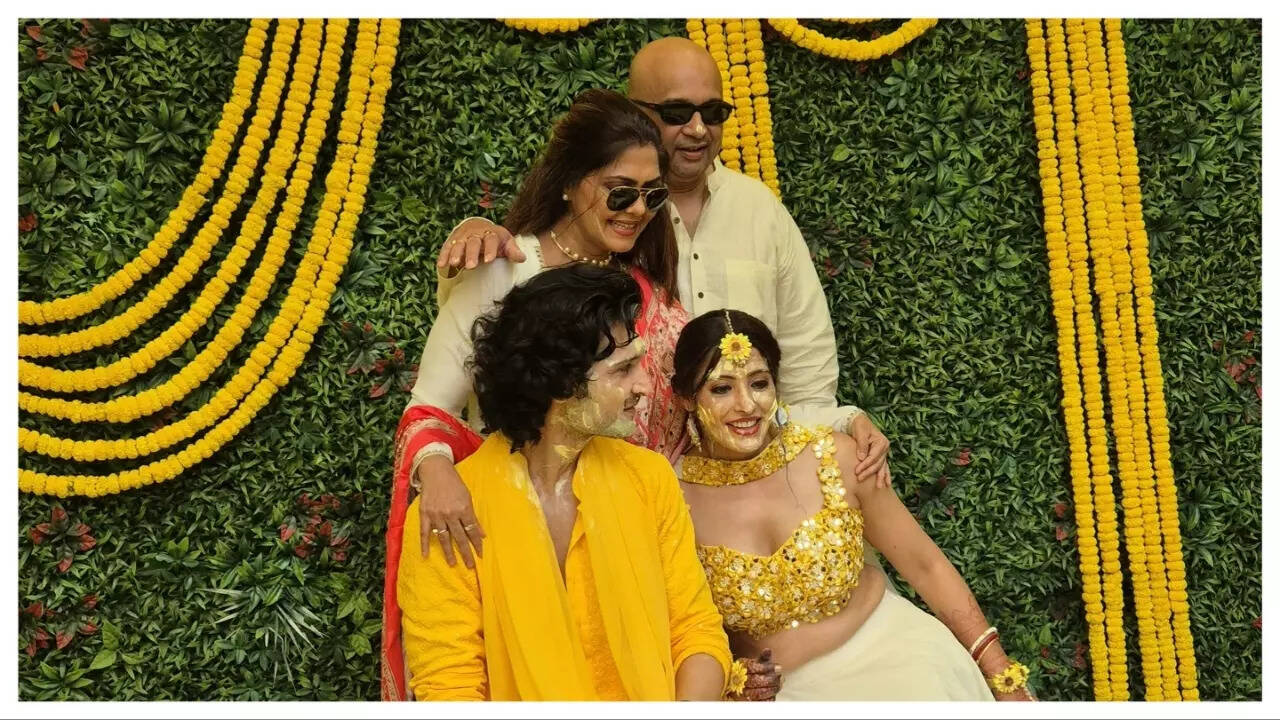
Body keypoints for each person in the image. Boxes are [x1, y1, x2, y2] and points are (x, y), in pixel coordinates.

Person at [423, 35, 891, 565]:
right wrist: (440, 473)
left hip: (664, 519)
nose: (638, 209)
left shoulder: (644, 271)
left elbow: (759, 382)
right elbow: (433, 402)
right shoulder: (509, 266)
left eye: (652, 196)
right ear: (572, 183)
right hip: (527, 521)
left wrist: (841, 420)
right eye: (621, 192)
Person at [396, 265, 734, 700]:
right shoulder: (456, 513)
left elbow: (695, 630)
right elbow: (449, 685)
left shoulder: (649, 479)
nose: (647, 385)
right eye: (623, 369)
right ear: (559, 383)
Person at [670, 309, 1036, 701]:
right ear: (687, 398)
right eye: (721, 389)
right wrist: (733, 682)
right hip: (787, 696)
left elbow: (926, 565)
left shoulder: (836, 456)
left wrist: (1003, 676)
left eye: (759, 383)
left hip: (903, 661)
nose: (747, 405)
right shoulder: (674, 499)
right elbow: (680, 629)